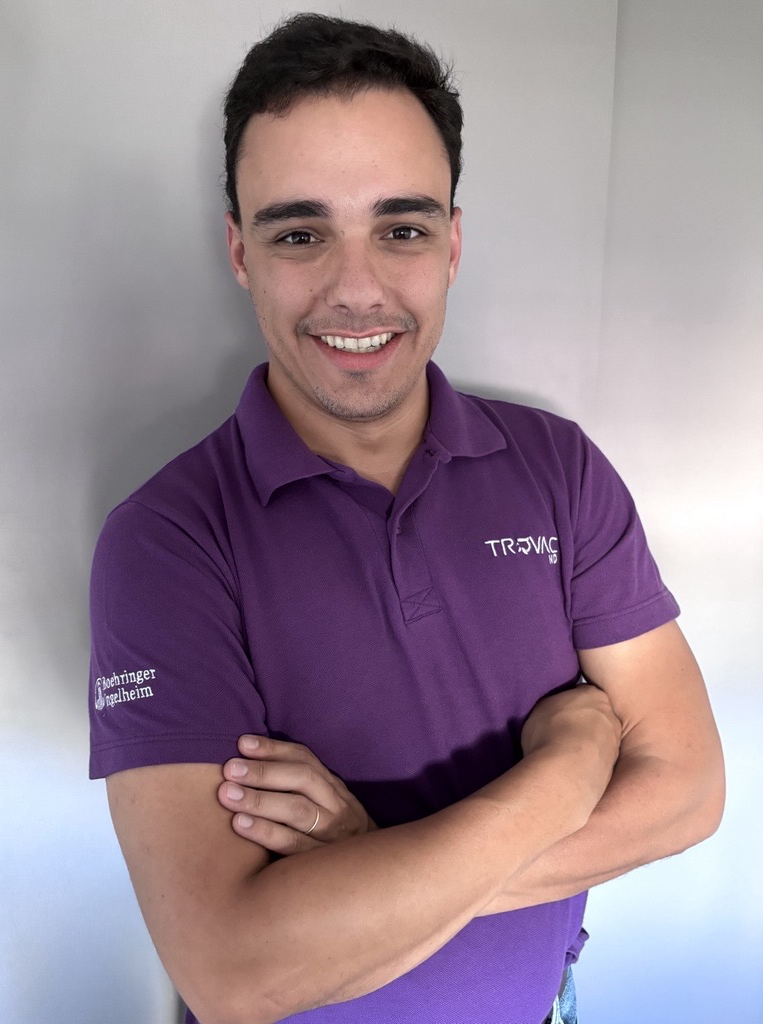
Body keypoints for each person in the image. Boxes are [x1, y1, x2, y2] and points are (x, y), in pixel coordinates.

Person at [89, 14, 724, 1024]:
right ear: (241, 251)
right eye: (300, 234)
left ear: (452, 243)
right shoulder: (168, 541)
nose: (357, 290)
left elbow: (687, 790)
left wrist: (374, 862)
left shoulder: (556, 469)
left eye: (402, 229)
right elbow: (232, 971)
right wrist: (565, 772)